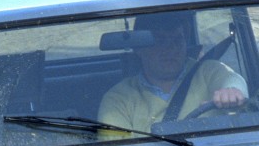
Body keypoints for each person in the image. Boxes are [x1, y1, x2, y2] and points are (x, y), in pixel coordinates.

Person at [97, 11, 247, 133]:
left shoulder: (207, 71)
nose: (171, 49)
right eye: (160, 41)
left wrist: (231, 91)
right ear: (139, 48)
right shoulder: (117, 99)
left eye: (177, 40)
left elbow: (232, 78)